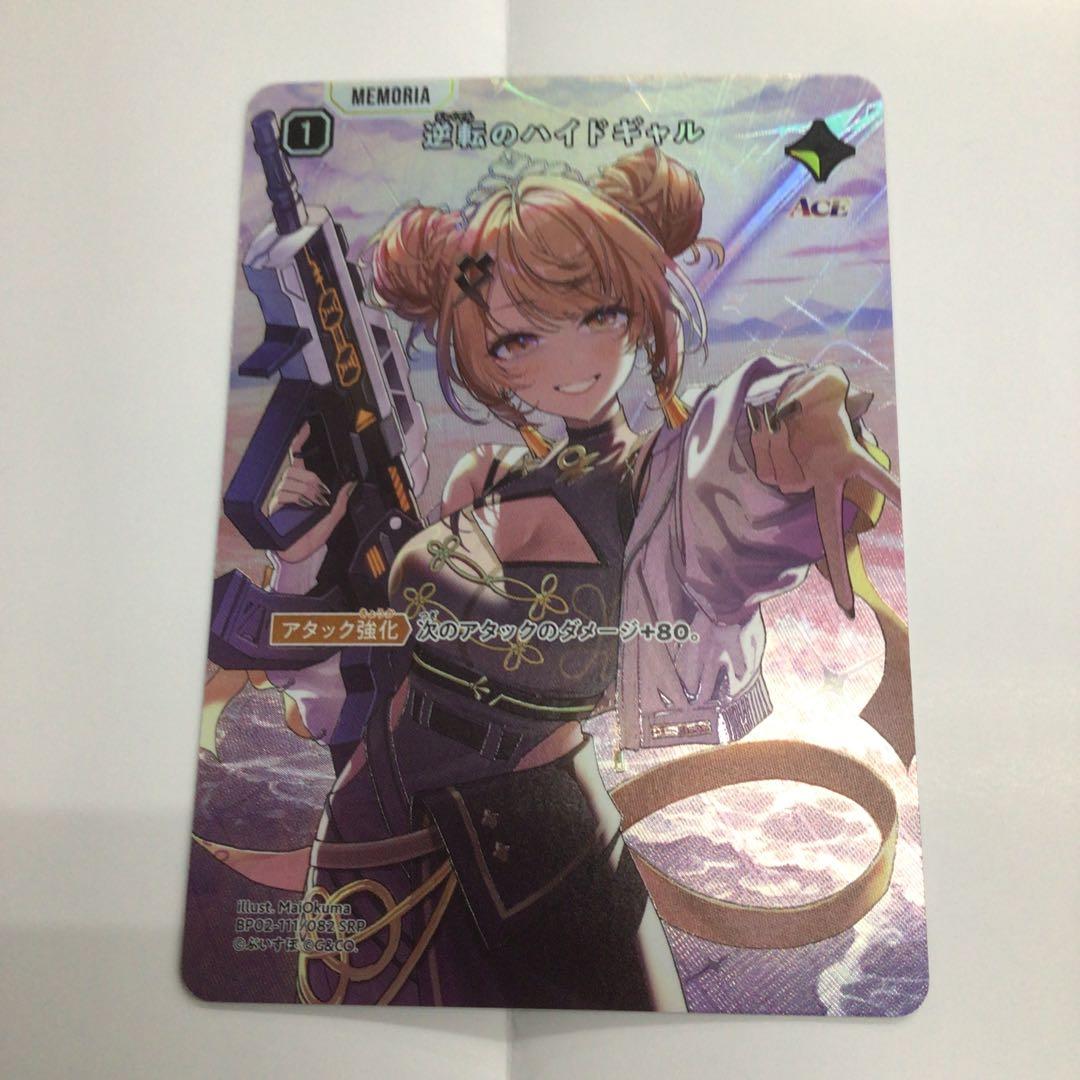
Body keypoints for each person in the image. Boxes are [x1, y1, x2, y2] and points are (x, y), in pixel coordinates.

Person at [237, 146, 901, 1010]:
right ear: (486, 353)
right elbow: (376, 651)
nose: (569, 355)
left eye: (597, 313)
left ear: (638, 310)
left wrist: (808, 426)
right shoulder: (483, 482)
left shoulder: (659, 483)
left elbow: (747, 436)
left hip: (547, 850)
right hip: (381, 828)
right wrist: (303, 556)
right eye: (518, 338)